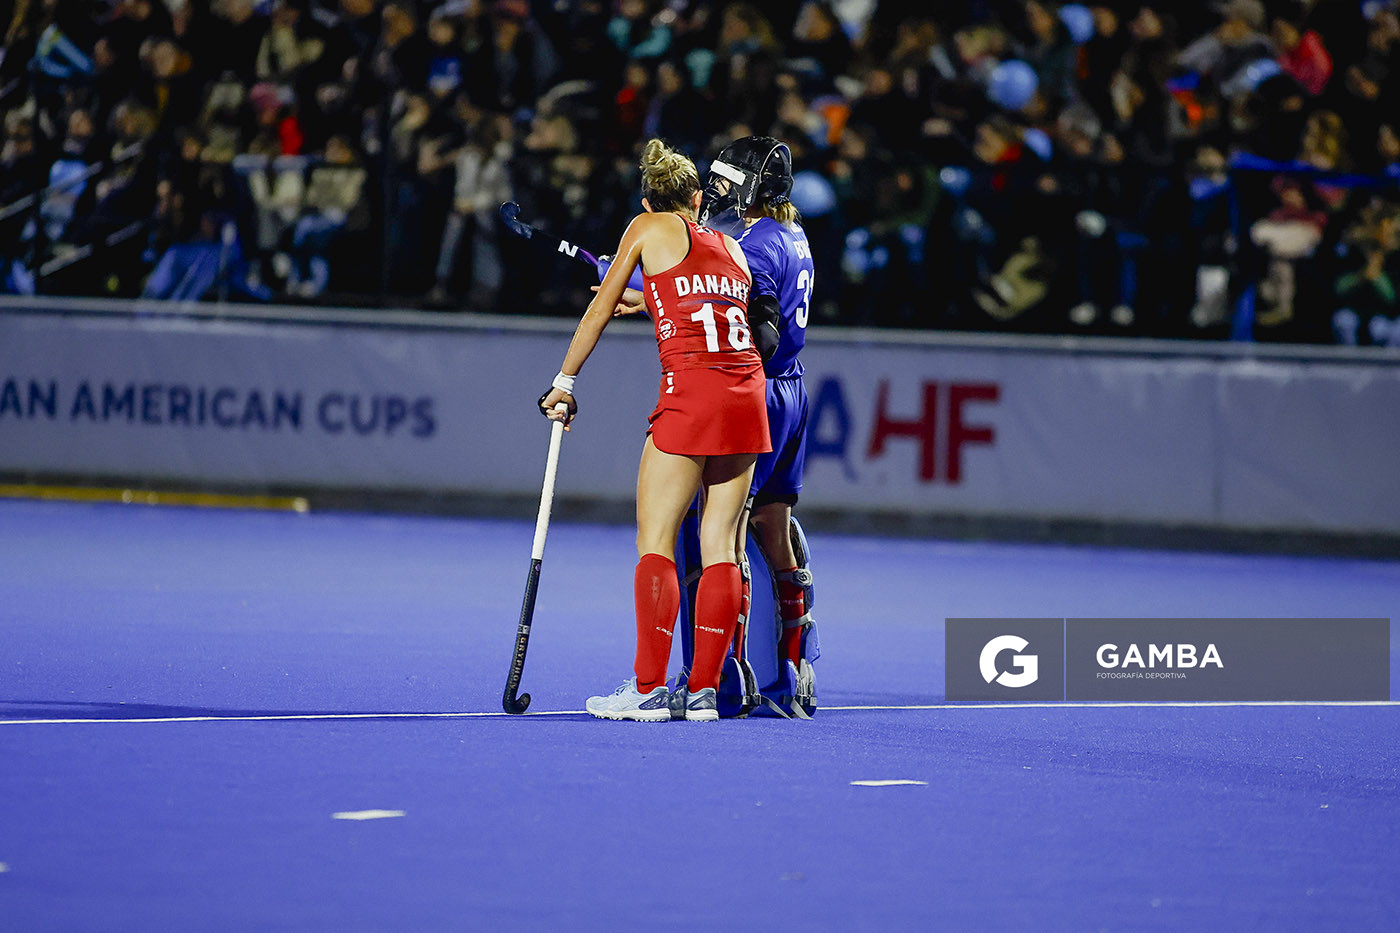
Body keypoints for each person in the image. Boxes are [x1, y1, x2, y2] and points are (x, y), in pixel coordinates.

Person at [539, 138, 770, 722]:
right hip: (747, 398)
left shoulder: (644, 229)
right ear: (698, 198)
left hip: (689, 398)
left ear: (649, 200)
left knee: (656, 541)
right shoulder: (735, 252)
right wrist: (652, 302)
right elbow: (705, 305)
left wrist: (565, 382)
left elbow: (598, 308)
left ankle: (646, 689)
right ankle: (702, 693)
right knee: (720, 544)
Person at [700, 135, 818, 713]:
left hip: (760, 391)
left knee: (727, 528)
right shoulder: (793, 233)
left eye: (724, 179)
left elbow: (755, 329)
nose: (716, 189)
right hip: (795, 388)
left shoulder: (749, 242)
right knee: (776, 529)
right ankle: (795, 666)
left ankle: (734, 671)